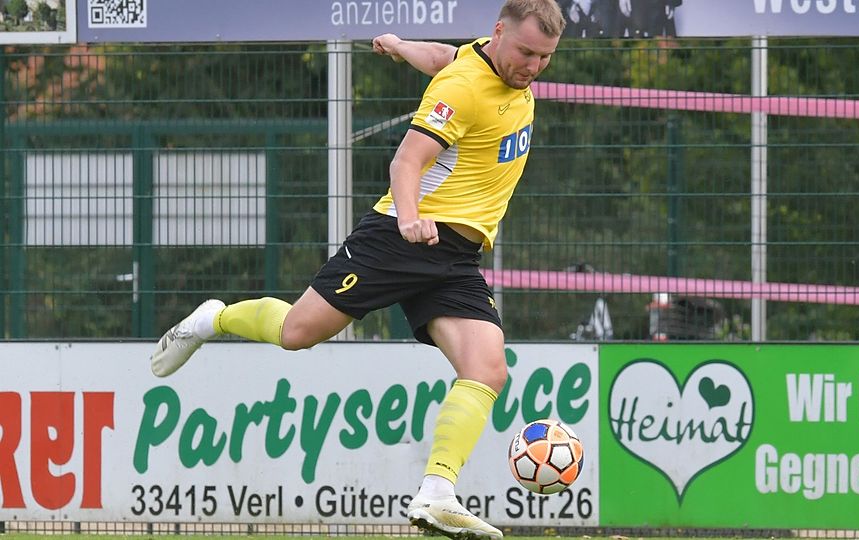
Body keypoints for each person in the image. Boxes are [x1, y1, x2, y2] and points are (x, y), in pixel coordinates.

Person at [149, 1, 565, 539]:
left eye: (546, 57)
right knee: (297, 333)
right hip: (399, 240)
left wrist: (399, 46)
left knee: (487, 369)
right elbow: (406, 162)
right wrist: (411, 218)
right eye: (526, 52)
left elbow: (446, 54)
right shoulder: (462, 87)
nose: (533, 65)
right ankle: (213, 319)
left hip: (455, 259)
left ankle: (437, 494)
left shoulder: (486, 65)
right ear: (499, 31)